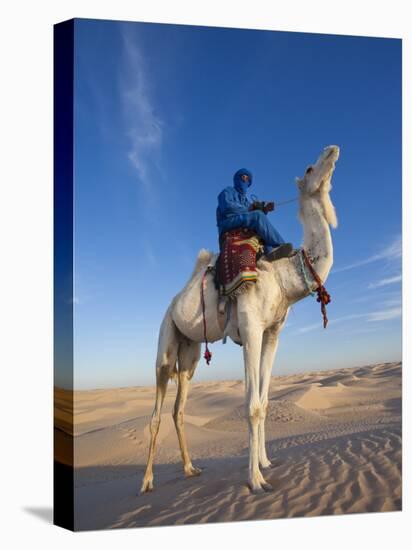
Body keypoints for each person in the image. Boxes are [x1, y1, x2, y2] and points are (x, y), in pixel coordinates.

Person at [216, 168, 295, 261]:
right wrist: (250, 208)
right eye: (243, 177)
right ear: (237, 179)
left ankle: (271, 253)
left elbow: (253, 215)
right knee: (257, 216)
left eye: (248, 179)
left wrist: (265, 209)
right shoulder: (227, 191)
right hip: (227, 222)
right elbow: (227, 207)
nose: (245, 180)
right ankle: (280, 245)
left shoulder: (245, 201)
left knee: (261, 226)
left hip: (240, 221)